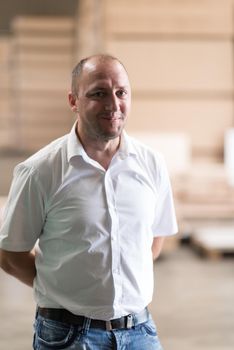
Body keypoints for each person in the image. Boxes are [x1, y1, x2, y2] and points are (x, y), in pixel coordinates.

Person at [0, 54, 178, 350]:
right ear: (73, 101)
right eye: (99, 93)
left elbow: (155, 238)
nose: (113, 104)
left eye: (121, 92)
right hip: (68, 335)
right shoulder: (40, 171)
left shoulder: (152, 164)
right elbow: (10, 255)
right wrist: (61, 289)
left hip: (139, 332)